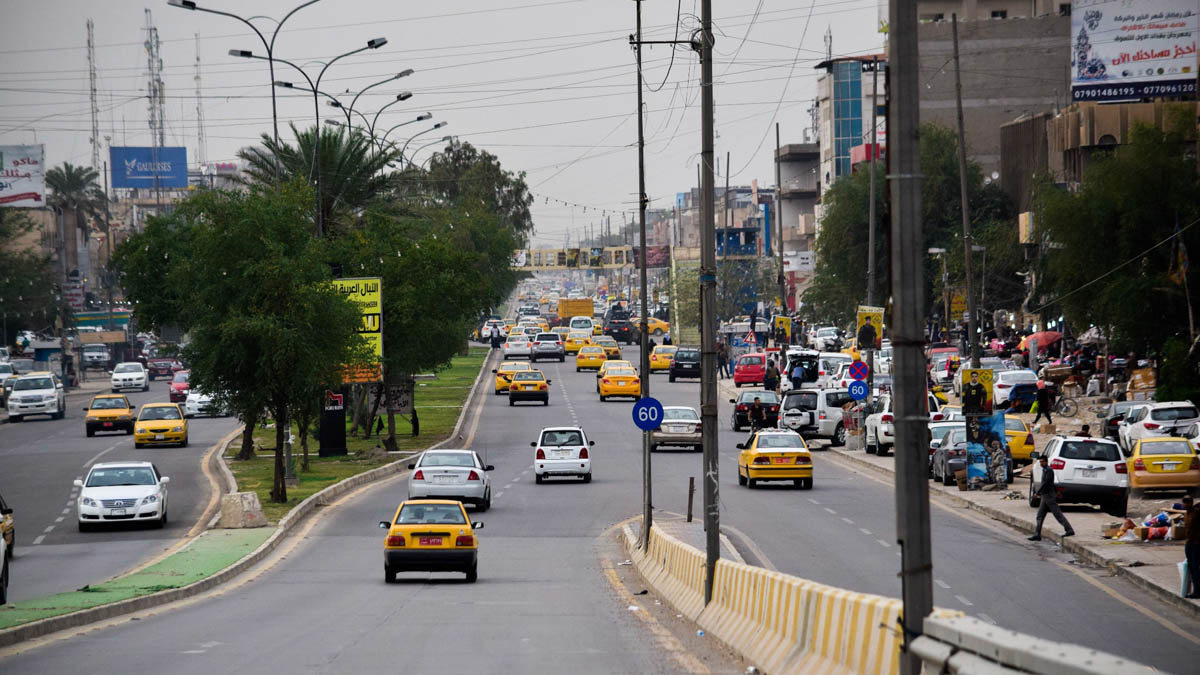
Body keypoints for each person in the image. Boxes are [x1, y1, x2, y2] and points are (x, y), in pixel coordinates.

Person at [1029, 454, 1074, 541]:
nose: (1041, 463)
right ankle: (1037, 534)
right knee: (1040, 516)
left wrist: (1037, 493)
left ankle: (1069, 529)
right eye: (1040, 462)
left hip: (1049, 497)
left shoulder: (1049, 470)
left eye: (1042, 462)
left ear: (1046, 462)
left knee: (1057, 514)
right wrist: (1056, 492)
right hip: (1045, 496)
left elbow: (1046, 483)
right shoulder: (1045, 470)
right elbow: (1050, 483)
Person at [1186, 498, 1200, 599]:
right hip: (1191, 543)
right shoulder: (1191, 513)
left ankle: (1197, 592)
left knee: (1195, 568)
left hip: (1196, 544)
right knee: (1192, 567)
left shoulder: (1196, 513)